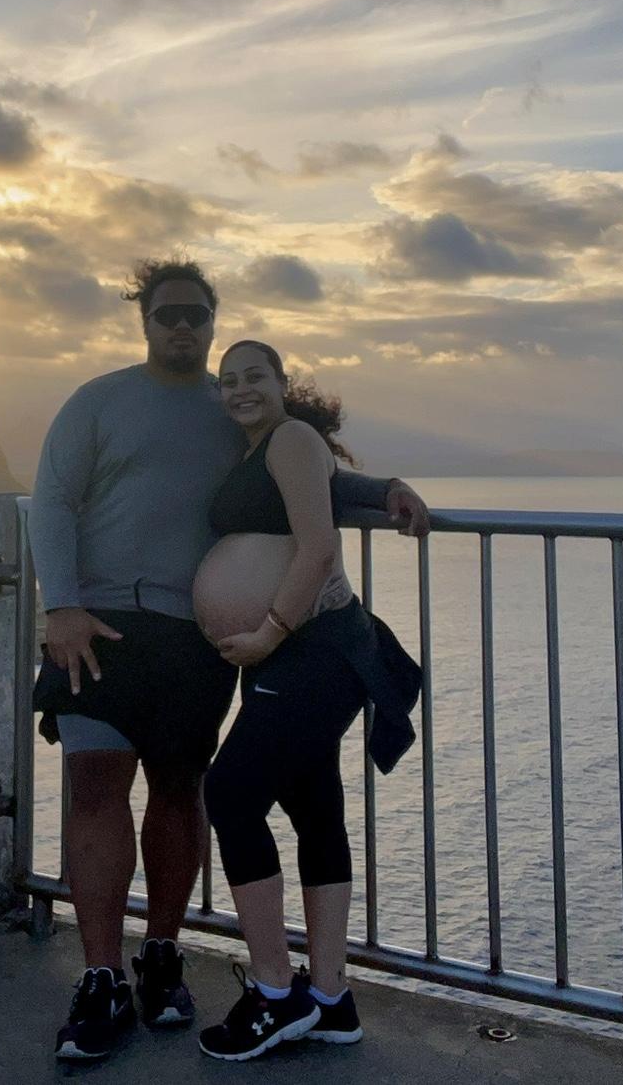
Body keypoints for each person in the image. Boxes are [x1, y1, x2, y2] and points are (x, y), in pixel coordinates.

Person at [29, 258, 430, 1063]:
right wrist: (60, 604)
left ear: (211, 324)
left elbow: (307, 480)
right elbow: (51, 500)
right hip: (98, 622)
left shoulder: (232, 415)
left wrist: (386, 486)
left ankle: (165, 956)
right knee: (95, 783)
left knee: (182, 790)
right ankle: (103, 977)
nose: (181, 326)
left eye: (196, 316)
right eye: (167, 314)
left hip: (193, 640)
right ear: (144, 321)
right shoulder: (96, 402)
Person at [194, 339, 422, 1063]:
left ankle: (274, 990)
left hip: (310, 644)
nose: (239, 389)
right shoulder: (260, 449)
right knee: (314, 805)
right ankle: (329, 999)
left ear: (282, 383)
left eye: (253, 376)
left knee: (230, 793)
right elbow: (324, 494)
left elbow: (317, 546)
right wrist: (382, 483)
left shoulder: (291, 437)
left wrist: (269, 630)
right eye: (228, 381)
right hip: (301, 651)